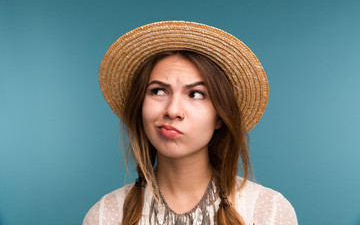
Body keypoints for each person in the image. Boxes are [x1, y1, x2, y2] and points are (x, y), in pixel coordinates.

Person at [83, 21, 298, 225]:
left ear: (220, 117)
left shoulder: (269, 212)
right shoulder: (104, 216)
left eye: (195, 94)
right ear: (140, 105)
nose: (173, 110)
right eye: (158, 91)